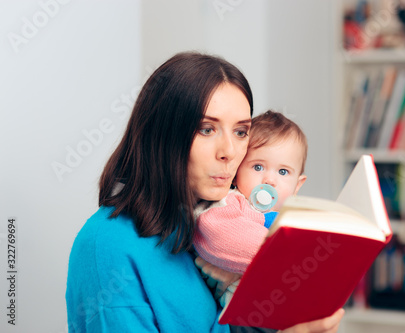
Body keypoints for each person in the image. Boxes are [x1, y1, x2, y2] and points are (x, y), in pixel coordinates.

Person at [65, 51, 344, 333]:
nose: (230, 152)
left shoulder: (216, 218)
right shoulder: (108, 244)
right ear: (163, 134)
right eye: (207, 129)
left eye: (240, 132)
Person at [193, 110, 308, 275]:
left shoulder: (293, 218)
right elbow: (222, 234)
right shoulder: (231, 201)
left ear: (297, 185)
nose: (269, 180)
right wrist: (295, 255)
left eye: (283, 172)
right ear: (236, 172)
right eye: (258, 167)